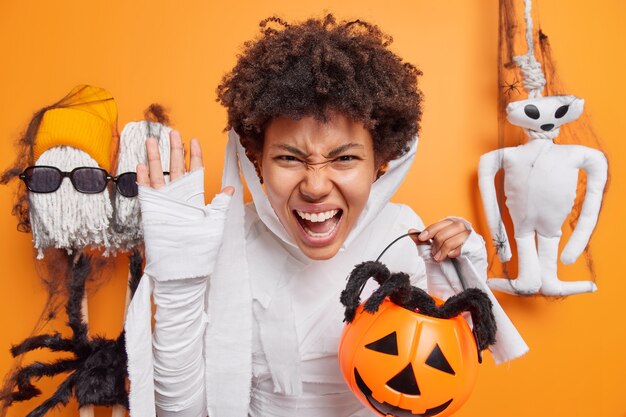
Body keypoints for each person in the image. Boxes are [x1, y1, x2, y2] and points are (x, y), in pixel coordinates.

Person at [124, 14, 527, 417]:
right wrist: (179, 281)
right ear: (257, 162)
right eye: (288, 157)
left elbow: (426, 383)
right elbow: (181, 413)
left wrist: (452, 273)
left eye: (345, 158)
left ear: (380, 162)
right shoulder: (224, 244)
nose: (315, 186)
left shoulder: (401, 237)